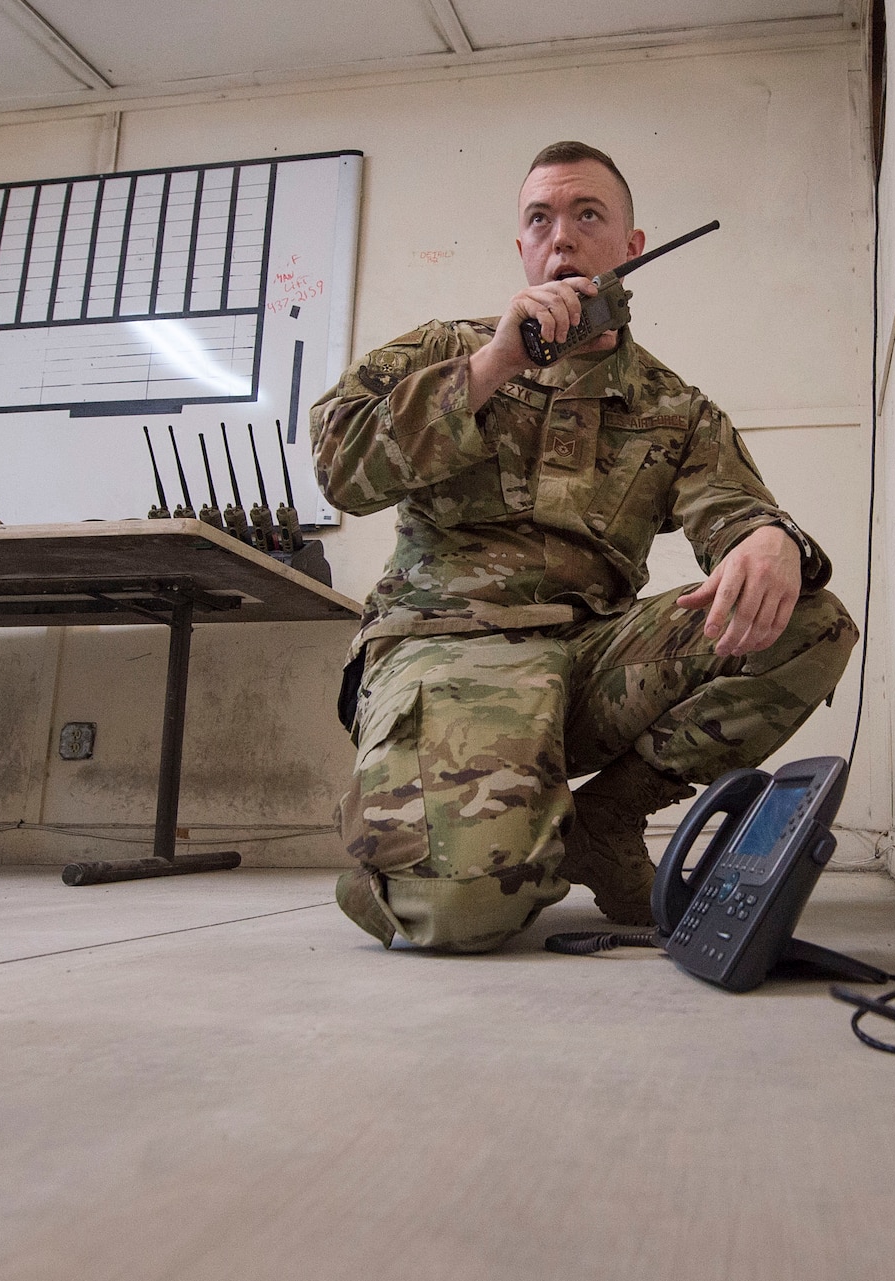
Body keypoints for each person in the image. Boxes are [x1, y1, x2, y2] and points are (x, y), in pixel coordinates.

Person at [312, 140, 856, 952]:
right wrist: (492, 364)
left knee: (803, 616)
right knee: (461, 915)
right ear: (524, 249)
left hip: (590, 661)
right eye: (541, 219)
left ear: (632, 249)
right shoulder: (444, 350)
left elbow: (733, 509)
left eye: (587, 215)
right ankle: (407, 830)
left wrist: (770, 538)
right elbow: (340, 467)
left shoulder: (673, 406)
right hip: (447, 650)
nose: (562, 237)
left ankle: (604, 819)